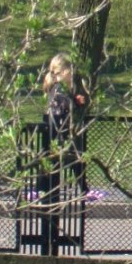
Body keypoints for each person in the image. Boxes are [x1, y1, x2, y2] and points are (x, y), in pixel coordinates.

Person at [41, 53, 103, 202]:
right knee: (66, 160)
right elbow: (64, 106)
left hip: (60, 131)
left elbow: (66, 103)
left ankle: (82, 189)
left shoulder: (60, 88)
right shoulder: (59, 87)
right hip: (58, 131)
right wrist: (76, 103)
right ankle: (42, 189)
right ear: (63, 72)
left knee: (72, 160)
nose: (73, 73)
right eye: (71, 69)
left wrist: (76, 100)